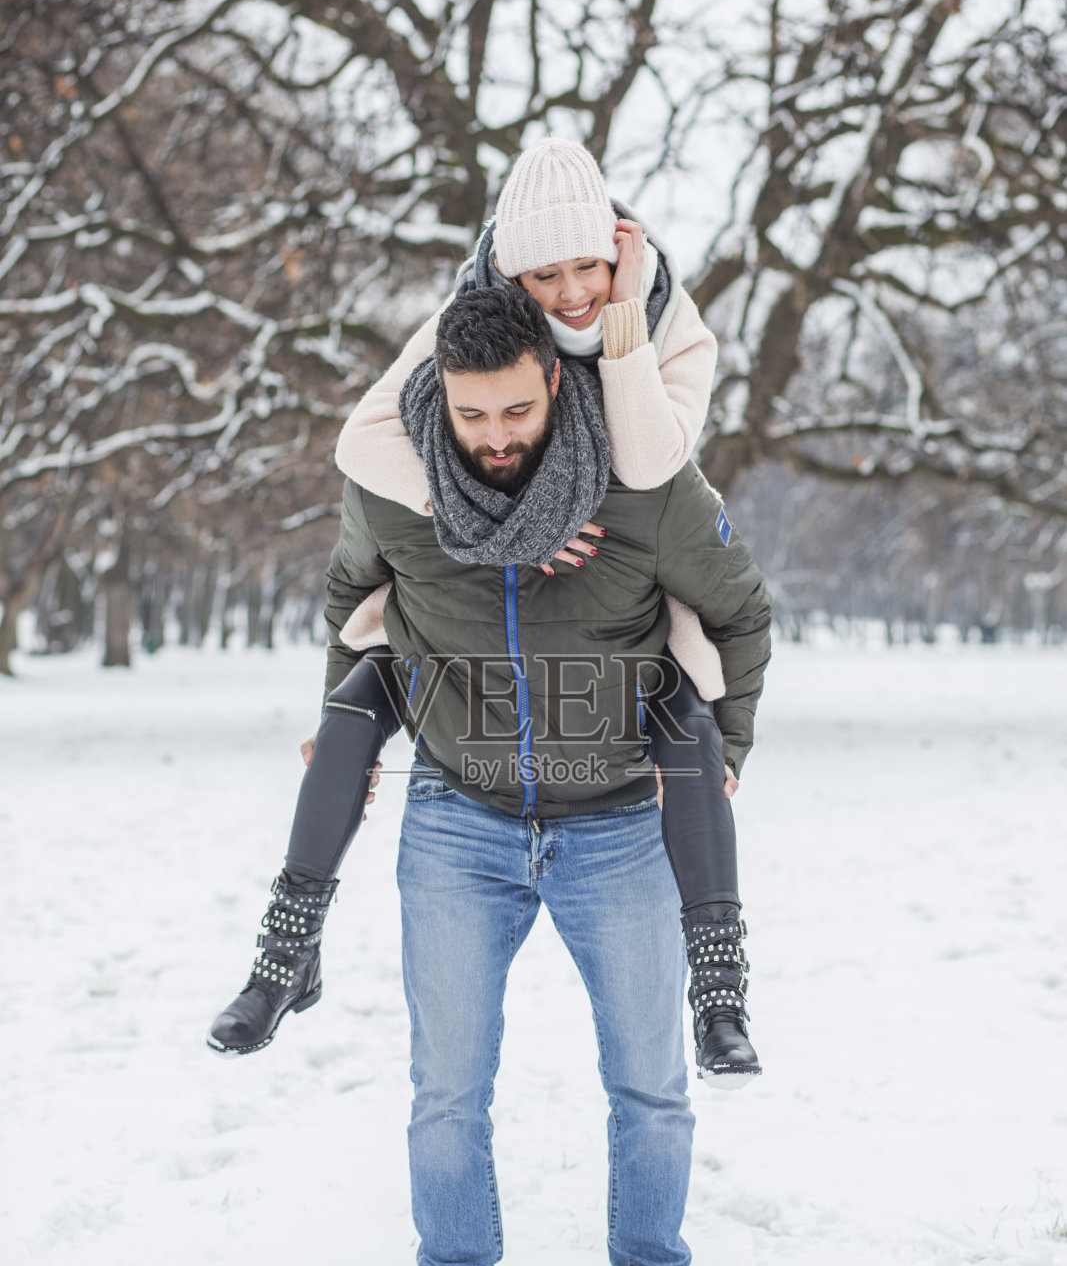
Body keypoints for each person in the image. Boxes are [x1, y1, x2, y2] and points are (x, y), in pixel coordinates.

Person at [207, 137, 760, 1086]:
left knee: (687, 719)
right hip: (460, 678)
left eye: (585, 264)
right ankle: (286, 947)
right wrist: (491, 522)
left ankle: (719, 987)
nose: (568, 291)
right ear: (507, 274)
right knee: (357, 695)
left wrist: (622, 315)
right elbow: (361, 445)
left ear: (616, 249)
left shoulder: (672, 328)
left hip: (630, 636)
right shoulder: (477, 319)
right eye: (543, 274)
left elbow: (645, 462)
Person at [315, 284, 771, 1266]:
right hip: (454, 822)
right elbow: (348, 602)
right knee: (447, 1089)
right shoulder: (401, 485)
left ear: (553, 384)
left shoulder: (639, 482)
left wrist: (726, 759)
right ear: (439, 401)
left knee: (649, 1085)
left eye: (514, 413)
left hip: (617, 819)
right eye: (470, 417)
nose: (493, 439)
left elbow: (741, 608)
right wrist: (343, 729)